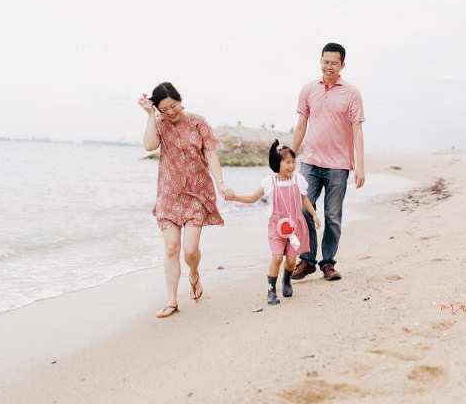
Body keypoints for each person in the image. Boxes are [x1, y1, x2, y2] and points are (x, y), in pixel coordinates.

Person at [138, 82, 233, 318]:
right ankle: (171, 301)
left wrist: (221, 184)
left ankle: (194, 273)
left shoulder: (198, 122)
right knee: (171, 249)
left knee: (190, 251)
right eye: (164, 109)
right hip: (169, 195)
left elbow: (211, 154)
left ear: (180, 100)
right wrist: (151, 115)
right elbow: (149, 145)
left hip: (197, 195)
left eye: (173, 106)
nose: (170, 112)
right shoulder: (159, 124)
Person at [291, 42, 365, 282]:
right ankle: (307, 259)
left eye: (334, 62)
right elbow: (301, 125)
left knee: (332, 215)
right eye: (325, 61)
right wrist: (290, 157)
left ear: (342, 65)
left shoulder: (351, 93)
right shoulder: (308, 90)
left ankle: (328, 263)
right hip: (310, 162)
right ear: (320, 61)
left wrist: (359, 166)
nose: (329, 66)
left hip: (338, 165)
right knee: (304, 210)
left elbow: (357, 131)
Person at [226, 140, 320, 305]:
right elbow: (253, 198)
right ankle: (271, 290)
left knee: (291, 261)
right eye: (287, 162)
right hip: (276, 227)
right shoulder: (270, 182)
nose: (292, 166)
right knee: (277, 258)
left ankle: (287, 280)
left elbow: (305, 199)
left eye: (293, 162)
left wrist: (314, 215)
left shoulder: (298, 180)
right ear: (278, 163)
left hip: (295, 227)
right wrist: (235, 197)